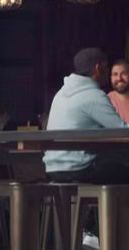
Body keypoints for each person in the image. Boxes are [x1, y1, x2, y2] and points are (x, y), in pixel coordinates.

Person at [43, 48, 129, 184]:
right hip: (79, 168)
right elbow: (123, 131)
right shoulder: (94, 95)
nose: (108, 71)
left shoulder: (60, 94)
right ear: (98, 68)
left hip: (53, 169)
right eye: (106, 67)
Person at [109, 58, 129, 124]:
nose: (119, 78)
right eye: (115, 74)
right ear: (111, 78)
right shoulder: (106, 101)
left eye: (124, 73)